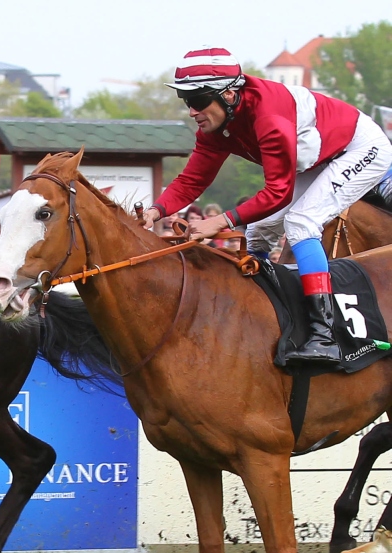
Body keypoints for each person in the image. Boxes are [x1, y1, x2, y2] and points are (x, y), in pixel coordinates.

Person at [142, 47, 392, 366]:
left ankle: (323, 335)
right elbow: (193, 179)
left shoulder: (269, 117)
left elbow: (277, 192)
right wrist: (156, 211)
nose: (192, 111)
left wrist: (219, 221)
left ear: (229, 94)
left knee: (301, 224)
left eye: (198, 99)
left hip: (359, 149)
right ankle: (258, 310)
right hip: (318, 159)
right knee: (260, 231)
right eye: (185, 100)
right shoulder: (218, 125)